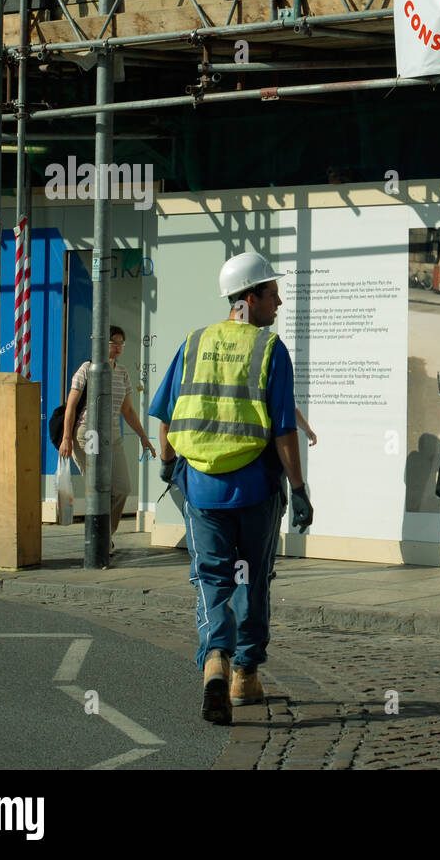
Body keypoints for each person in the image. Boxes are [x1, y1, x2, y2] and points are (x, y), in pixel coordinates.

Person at [150, 250, 313, 725]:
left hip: (202, 492)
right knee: (252, 580)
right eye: (272, 292)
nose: (278, 302)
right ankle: (244, 676)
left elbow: (165, 413)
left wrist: (167, 464)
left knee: (211, 579)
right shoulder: (269, 349)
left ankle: (214, 661)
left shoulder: (194, 342)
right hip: (257, 491)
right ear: (248, 298)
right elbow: (284, 430)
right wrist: (299, 488)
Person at [58, 324, 156, 556]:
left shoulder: (122, 373)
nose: (119, 347)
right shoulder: (87, 369)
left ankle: (105, 535)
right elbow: (71, 406)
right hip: (86, 436)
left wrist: (144, 437)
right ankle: (99, 542)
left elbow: (128, 410)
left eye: (121, 343)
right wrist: (66, 438)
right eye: (114, 342)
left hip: (113, 437)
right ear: (102, 344)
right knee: (99, 490)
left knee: (122, 489)